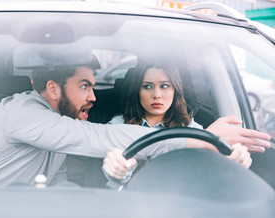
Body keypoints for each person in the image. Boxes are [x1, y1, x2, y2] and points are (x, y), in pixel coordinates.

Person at [0, 55, 270, 195]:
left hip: (10, 216)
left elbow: (57, 184)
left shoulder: (57, 120)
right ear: (53, 89)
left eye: (93, 86)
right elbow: (100, 136)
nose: (94, 97)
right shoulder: (22, 112)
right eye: (84, 86)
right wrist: (200, 139)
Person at [103, 61, 254, 183]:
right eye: (147, 86)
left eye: (165, 86)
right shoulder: (118, 124)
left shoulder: (189, 127)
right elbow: (110, 165)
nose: (157, 95)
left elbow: (206, 163)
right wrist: (116, 170)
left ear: (175, 90)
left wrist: (233, 159)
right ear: (138, 90)